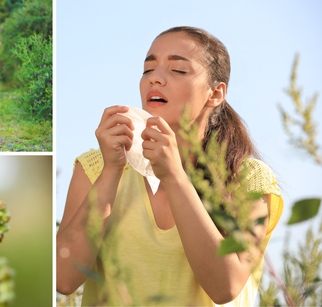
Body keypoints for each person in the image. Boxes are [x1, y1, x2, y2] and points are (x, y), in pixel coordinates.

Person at [56, 26, 283, 306]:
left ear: (215, 93)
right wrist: (111, 172)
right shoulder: (95, 167)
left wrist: (175, 177)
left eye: (178, 70)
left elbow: (225, 287)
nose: (156, 79)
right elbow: (63, 279)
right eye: (147, 69)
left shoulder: (247, 179)